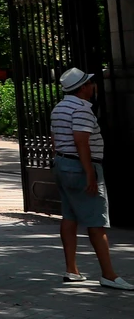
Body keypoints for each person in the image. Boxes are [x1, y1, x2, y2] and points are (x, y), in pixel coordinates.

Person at [52, 68, 130, 289]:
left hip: (62, 164)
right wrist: (89, 174)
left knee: (69, 216)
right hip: (79, 167)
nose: (93, 86)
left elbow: (55, 139)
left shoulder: (59, 108)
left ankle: (72, 269)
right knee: (96, 221)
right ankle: (109, 274)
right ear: (83, 88)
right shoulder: (82, 109)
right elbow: (81, 141)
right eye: (90, 83)